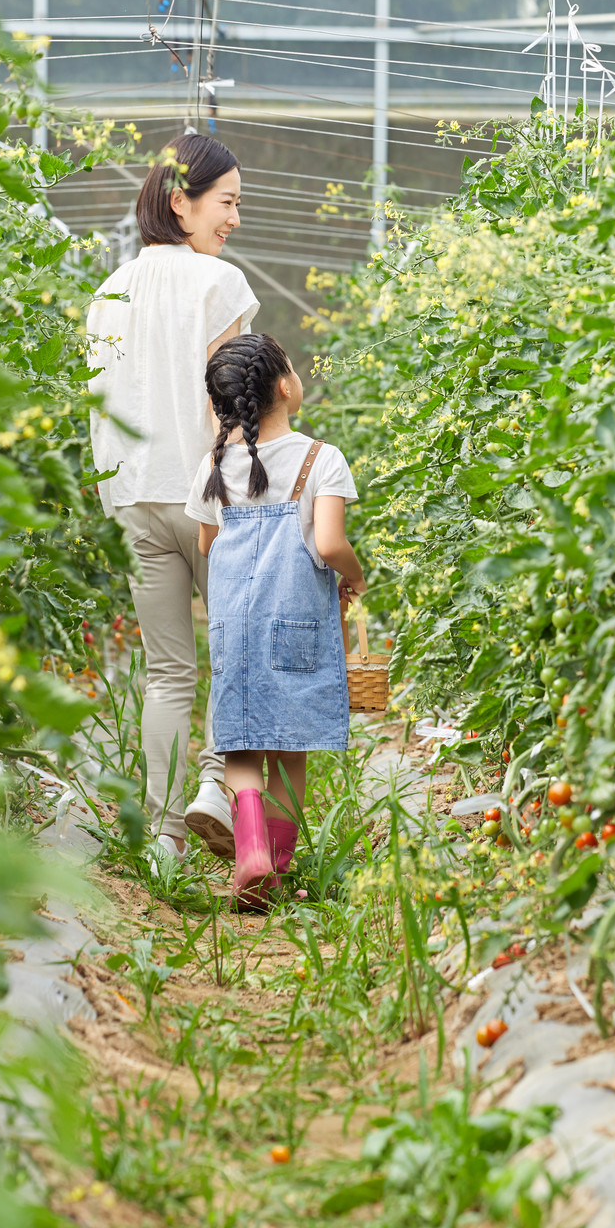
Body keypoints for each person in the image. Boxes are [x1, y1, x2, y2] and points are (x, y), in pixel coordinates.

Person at [85, 132, 256, 870]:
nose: (235, 219)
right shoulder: (217, 284)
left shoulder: (108, 292)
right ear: (180, 203)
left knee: (166, 672)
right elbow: (231, 408)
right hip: (204, 495)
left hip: (131, 499)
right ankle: (215, 789)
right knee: (236, 654)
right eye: (227, 203)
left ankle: (162, 837)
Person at [183, 333, 364, 906]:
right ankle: (276, 873)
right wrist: (355, 576)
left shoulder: (216, 467)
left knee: (240, 750)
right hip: (301, 627)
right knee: (290, 753)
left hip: (235, 625)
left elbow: (208, 544)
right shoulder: (321, 458)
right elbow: (331, 543)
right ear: (285, 386)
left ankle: (250, 853)